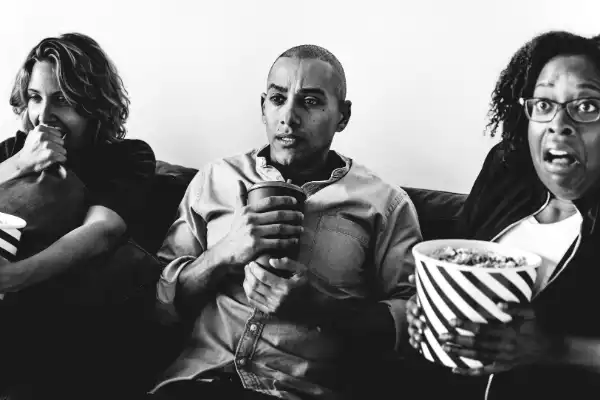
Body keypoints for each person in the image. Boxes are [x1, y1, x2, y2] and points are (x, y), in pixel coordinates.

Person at [152, 45, 422, 399]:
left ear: (343, 115)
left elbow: (413, 323)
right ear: (263, 106)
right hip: (196, 383)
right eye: (278, 99)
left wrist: (319, 307)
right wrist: (223, 254)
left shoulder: (384, 204)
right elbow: (158, 304)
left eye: (310, 102)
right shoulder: (216, 179)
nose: (289, 118)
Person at [407, 31, 600, 400]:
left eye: (587, 106)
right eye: (544, 104)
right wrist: (425, 309)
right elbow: (455, 260)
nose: (560, 123)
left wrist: (553, 348)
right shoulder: (505, 171)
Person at [0, 33, 156, 398]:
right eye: (35, 98)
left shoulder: (126, 158)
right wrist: (19, 163)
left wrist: (12, 277)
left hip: (55, 326)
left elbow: (102, 230)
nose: (43, 116)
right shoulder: (11, 152)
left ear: (94, 105)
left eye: (63, 100)